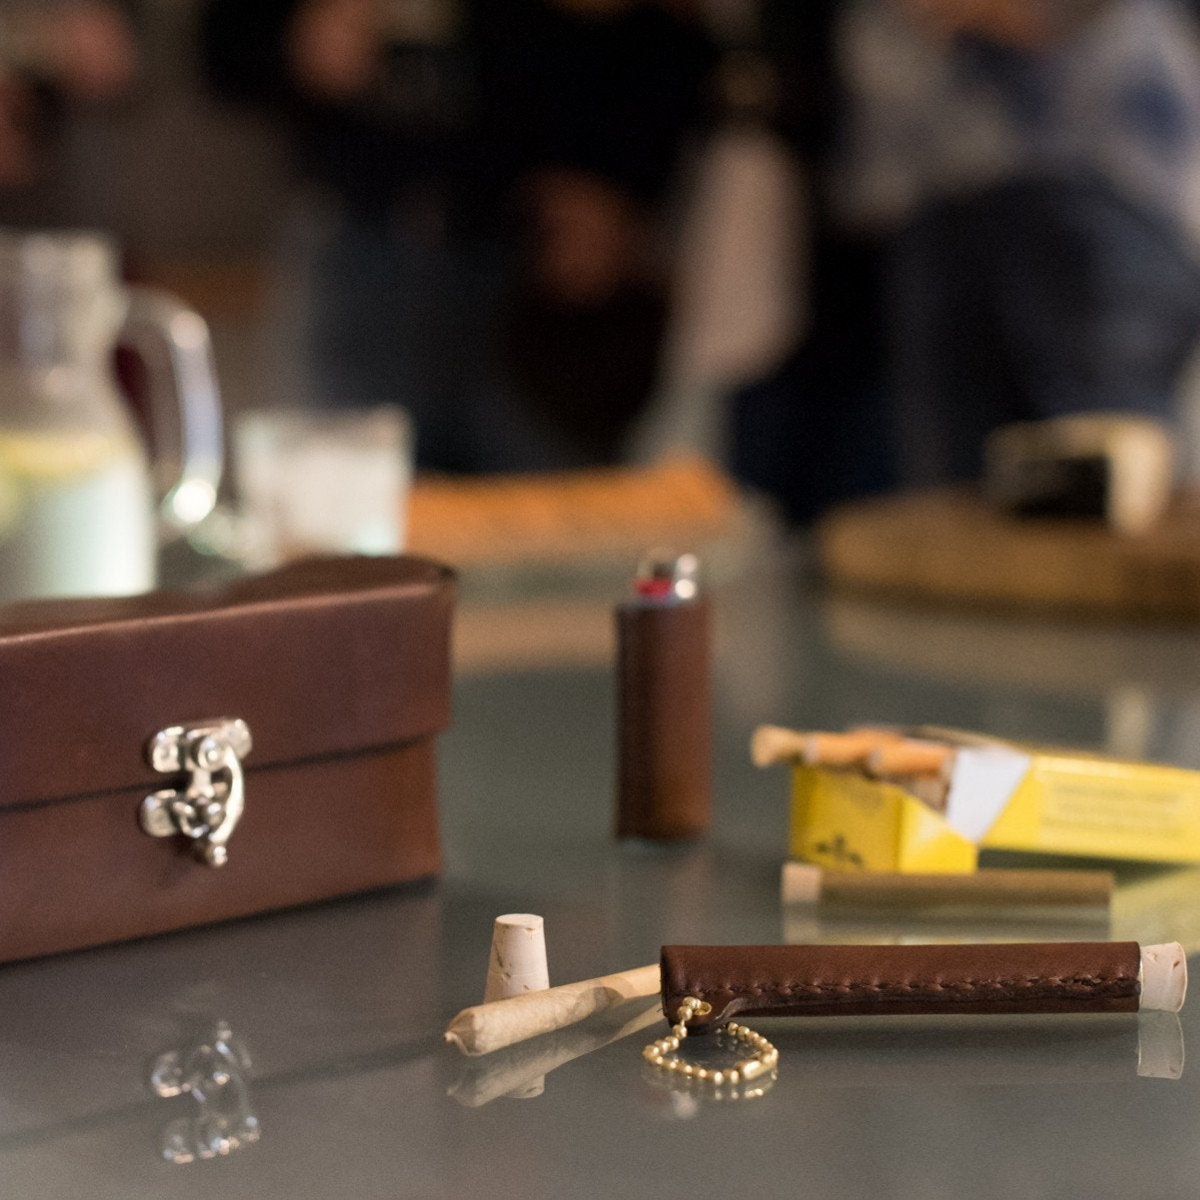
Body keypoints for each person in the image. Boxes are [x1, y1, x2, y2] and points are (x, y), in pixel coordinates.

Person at [200, 0, 715, 473]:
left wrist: (625, 180)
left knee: (551, 522)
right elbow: (221, 46)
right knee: (337, 527)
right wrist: (297, 36)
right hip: (359, 249)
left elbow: (672, 40)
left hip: (534, 269)